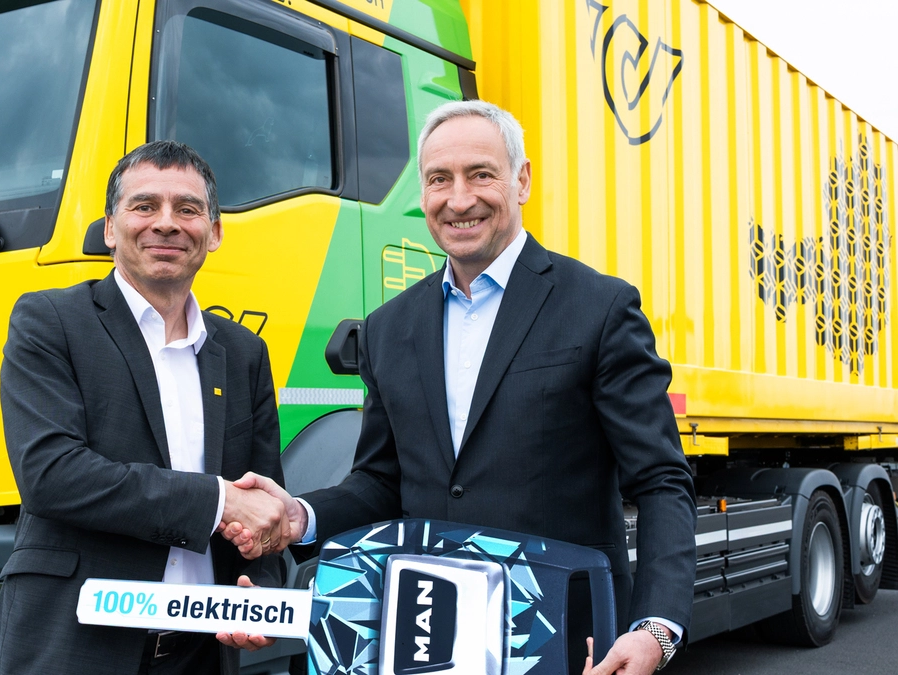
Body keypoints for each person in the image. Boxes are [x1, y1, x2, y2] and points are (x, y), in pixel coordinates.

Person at [224, 100, 697, 675]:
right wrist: (302, 515)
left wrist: (656, 628)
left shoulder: (599, 308)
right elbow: (382, 481)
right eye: (438, 179)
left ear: (522, 181)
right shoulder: (389, 327)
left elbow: (661, 479)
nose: (459, 198)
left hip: (564, 635)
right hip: (427, 636)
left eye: (480, 174)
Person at [0, 140, 289, 675]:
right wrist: (219, 502)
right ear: (109, 228)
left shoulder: (244, 353)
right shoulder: (50, 321)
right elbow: (51, 475)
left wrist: (261, 592)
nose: (166, 223)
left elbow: (263, 502)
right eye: (144, 206)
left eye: (187, 209)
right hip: (71, 649)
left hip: (199, 655)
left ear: (214, 233)